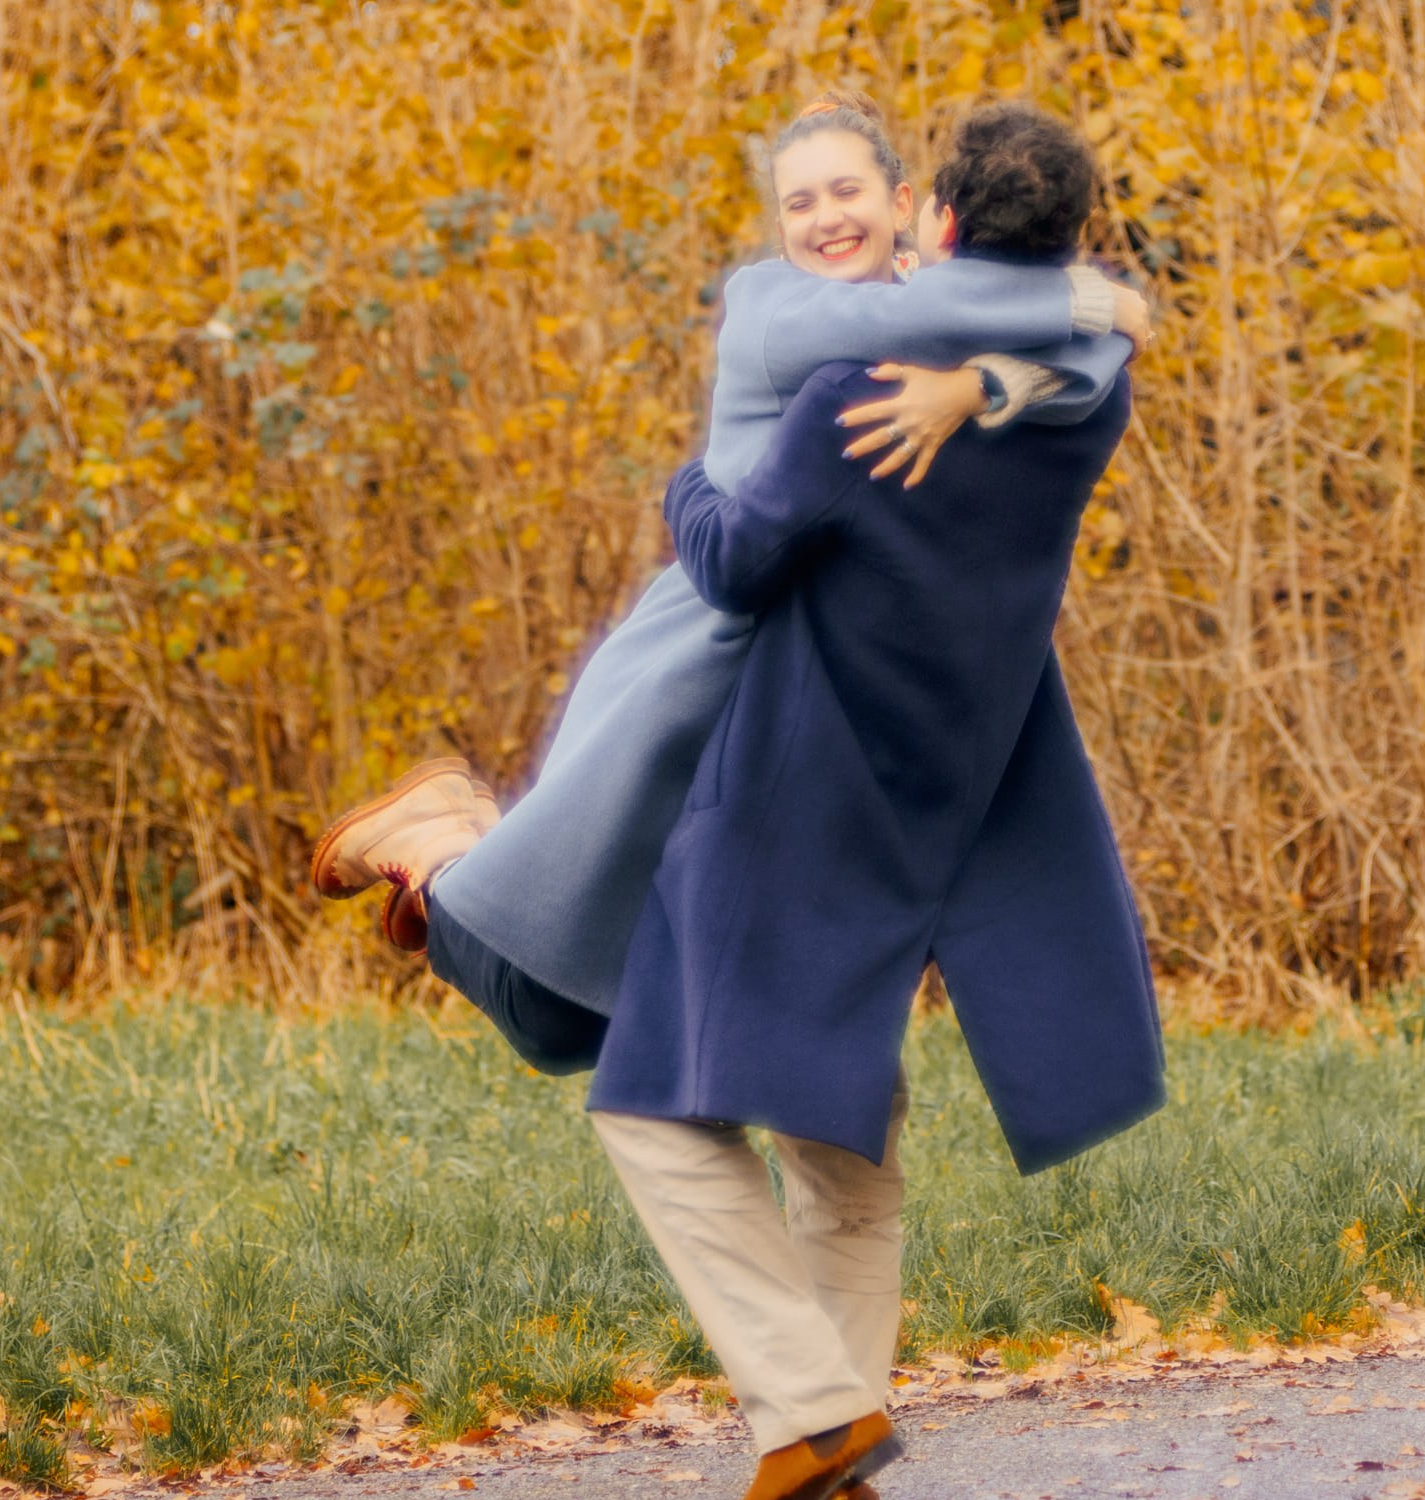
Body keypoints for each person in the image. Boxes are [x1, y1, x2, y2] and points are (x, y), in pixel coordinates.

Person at [585, 102, 1164, 1500]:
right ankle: (833, 1454)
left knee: (652, 1107)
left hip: (796, 790)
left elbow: (731, 558)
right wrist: (983, 374)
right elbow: (1099, 338)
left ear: (933, 224)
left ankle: (810, 1411)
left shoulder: (856, 391)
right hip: (938, 803)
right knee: (840, 1121)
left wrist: (683, 477)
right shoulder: (1079, 398)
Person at [312, 98, 1145, 1061]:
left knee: (640, 1014)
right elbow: (1034, 321)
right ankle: (432, 844)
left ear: (907, 204)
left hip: (810, 693)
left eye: (848, 191)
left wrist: (982, 385)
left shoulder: (942, 306)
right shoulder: (775, 306)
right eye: (800, 203)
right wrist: (1094, 299)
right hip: (708, 658)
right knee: (552, 1002)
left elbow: (1092, 364)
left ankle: (475, 852)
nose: (826, 218)